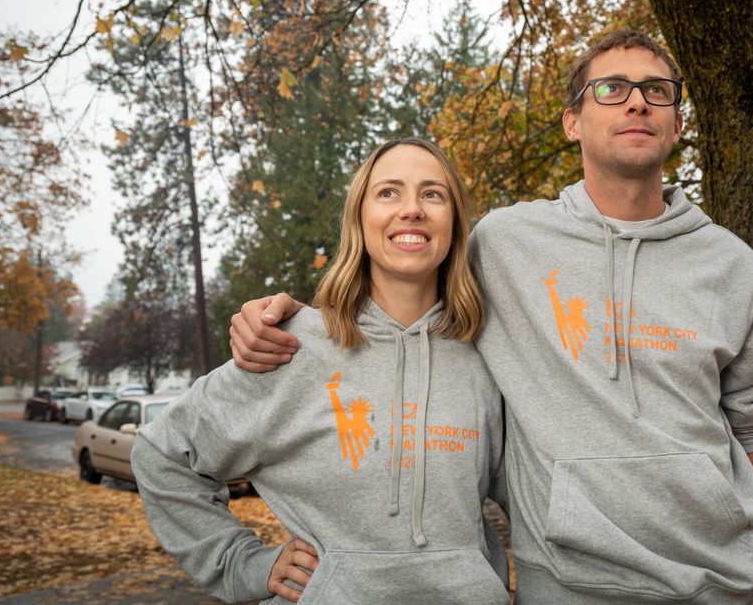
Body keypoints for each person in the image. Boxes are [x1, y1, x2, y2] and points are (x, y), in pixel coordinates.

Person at [232, 28, 753, 605]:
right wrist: (299, 319)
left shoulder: (731, 263)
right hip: (566, 586)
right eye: (611, 88)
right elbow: (403, 292)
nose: (636, 102)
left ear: (677, 123)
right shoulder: (505, 243)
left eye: (657, 90)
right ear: (572, 121)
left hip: (723, 583)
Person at [132, 138, 507, 604]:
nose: (411, 209)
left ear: (454, 223)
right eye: (388, 192)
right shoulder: (290, 347)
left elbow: (532, 490)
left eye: (433, 194)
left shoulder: (490, 355)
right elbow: (164, 454)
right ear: (359, 219)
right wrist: (241, 564)